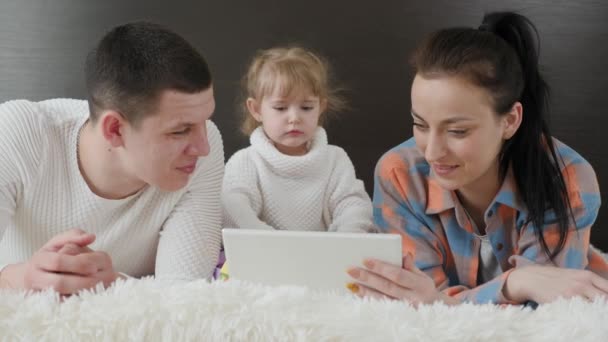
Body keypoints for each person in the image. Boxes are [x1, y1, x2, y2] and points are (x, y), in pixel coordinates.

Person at [347, 12, 608, 305]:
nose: (432, 151)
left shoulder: (567, 178)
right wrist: (517, 282)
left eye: (457, 131)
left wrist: (442, 302)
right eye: (420, 125)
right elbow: (420, 300)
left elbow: (546, 308)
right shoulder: (398, 173)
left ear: (510, 121)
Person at [0, 22, 224, 295]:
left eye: (205, 120)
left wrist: (114, 284)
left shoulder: (203, 147)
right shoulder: (20, 132)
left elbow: (186, 297)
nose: (203, 148)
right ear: (115, 129)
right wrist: (24, 278)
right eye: (180, 131)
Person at [222, 46, 375, 233]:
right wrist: (269, 241)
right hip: (264, 255)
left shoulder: (335, 159)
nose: (294, 118)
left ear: (321, 107)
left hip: (325, 255)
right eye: (280, 108)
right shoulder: (245, 162)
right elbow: (233, 209)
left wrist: (346, 236)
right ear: (256, 109)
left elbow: (353, 204)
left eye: (306, 107)